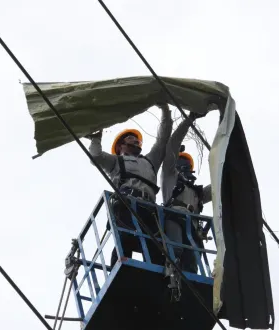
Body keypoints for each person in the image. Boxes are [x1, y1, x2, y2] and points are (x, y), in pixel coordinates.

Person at [86, 104, 172, 268]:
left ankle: (160, 280)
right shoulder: (115, 161)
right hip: (126, 205)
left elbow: (163, 140)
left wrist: (165, 110)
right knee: (125, 241)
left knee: (156, 250)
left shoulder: (150, 161)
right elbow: (95, 157)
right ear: (120, 146)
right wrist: (96, 138)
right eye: (130, 138)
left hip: (149, 208)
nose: (135, 140)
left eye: (136, 138)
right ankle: (118, 271)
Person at [161, 112, 211, 273]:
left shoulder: (198, 192)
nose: (185, 167)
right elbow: (172, 147)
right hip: (175, 217)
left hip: (192, 226)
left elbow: (219, 186)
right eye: (181, 162)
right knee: (176, 251)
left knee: (192, 263)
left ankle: (187, 281)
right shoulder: (170, 177)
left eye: (187, 164)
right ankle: (171, 273)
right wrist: (190, 120)